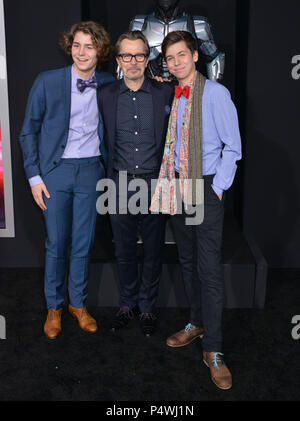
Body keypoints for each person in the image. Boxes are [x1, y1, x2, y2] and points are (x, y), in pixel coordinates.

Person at [151, 30, 242, 390]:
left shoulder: (216, 94)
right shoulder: (172, 94)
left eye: (181, 55)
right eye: (170, 58)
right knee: (188, 261)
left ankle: (215, 349)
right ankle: (196, 322)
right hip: (177, 184)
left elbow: (232, 148)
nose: (176, 63)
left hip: (205, 186)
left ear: (195, 55)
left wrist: (217, 188)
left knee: (208, 268)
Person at [19, 21, 115, 340]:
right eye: (76, 45)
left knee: (84, 243)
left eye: (89, 46)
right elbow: (28, 131)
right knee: (57, 243)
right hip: (55, 172)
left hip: (91, 171)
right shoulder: (47, 81)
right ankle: (54, 307)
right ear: (69, 47)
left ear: (99, 51)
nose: (81, 52)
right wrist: (34, 176)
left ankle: (78, 304)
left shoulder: (108, 83)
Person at [98, 30, 173, 337]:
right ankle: (127, 304)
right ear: (118, 60)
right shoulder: (105, 95)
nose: (133, 62)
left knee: (154, 250)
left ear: (147, 58)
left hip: (156, 182)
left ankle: (147, 309)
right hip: (118, 182)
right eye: (126, 55)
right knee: (124, 250)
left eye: (139, 55)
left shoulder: (164, 92)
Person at [128, 0, 225, 81]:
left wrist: (213, 88)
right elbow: (125, 58)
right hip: (150, 88)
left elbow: (214, 58)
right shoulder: (139, 25)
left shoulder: (198, 25)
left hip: (185, 88)